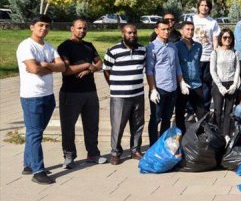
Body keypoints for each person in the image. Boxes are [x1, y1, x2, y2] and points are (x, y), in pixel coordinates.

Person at [17, 15, 65, 184]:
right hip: (32, 96)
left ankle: (28, 164)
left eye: (47, 26)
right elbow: (33, 68)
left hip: (48, 95)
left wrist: (45, 65)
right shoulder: (26, 46)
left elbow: (62, 66)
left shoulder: (49, 47)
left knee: (34, 132)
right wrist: (48, 67)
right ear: (32, 26)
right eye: (40, 25)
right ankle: (38, 171)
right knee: (35, 133)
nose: (44, 28)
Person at [57, 18, 105, 169]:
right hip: (71, 93)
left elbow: (100, 63)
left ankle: (93, 153)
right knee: (68, 126)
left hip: (90, 91)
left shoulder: (89, 46)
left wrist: (90, 69)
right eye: (79, 28)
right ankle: (69, 156)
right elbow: (66, 71)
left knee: (92, 124)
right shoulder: (64, 47)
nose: (82, 31)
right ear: (72, 28)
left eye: (84, 29)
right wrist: (86, 64)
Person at [103, 24, 146, 165]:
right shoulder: (113, 51)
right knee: (118, 125)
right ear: (123, 34)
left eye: (134, 33)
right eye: (129, 33)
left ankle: (135, 150)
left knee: (138, 124)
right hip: (120, 96)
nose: (132, 35)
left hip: (138, 93)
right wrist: (115, 85)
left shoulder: (142, 50)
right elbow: (106, 70)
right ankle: (115, 153)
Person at [146, 20, 185, 145]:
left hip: (172, 88)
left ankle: (162, 144)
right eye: (163, 29)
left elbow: (177, 66)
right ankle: (153, 145)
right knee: (156, 118)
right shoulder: (151, 47)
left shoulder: (173, 46)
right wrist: (153, 89)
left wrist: (181, 82)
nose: (166, 32)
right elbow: (149, 70)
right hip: (159, 88)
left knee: (167, 119)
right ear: (156, 30)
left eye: (168, 29)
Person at [173, 20, 203, 132]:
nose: (190, 32)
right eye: (187, 29)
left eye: (192, 30)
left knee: (201, 112)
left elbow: (197, 62)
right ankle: (181, 134)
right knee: (180, 112)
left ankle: (201, 135)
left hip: (196, 83)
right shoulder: (176, 47)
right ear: (182, 31)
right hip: (182, 84)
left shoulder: (198, 46)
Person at [210, 28, 240, 136]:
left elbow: (237, 69)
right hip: (219, 84)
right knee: (218, 110)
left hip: (231, 83)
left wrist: (234, 84)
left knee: (228, 111)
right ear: (220, 39)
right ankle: (217, 133)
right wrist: (219, 86)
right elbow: (212, 71)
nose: (227, 39)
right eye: (225, 37)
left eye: (230, 37)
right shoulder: (215, 52)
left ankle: (226, 134)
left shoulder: (235, 52)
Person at [192, 0, 220, 110]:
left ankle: (206, 108)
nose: (204, 7)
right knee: (194, 83)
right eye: (202, 5)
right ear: (198, 6)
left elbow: (215, 40)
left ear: (209, 8)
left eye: (206, 5)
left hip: (208, 57)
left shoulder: (213, 22)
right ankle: (192, 108)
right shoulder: (192, 19)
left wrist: (215, 54)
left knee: (207, 84)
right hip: (194, 57)